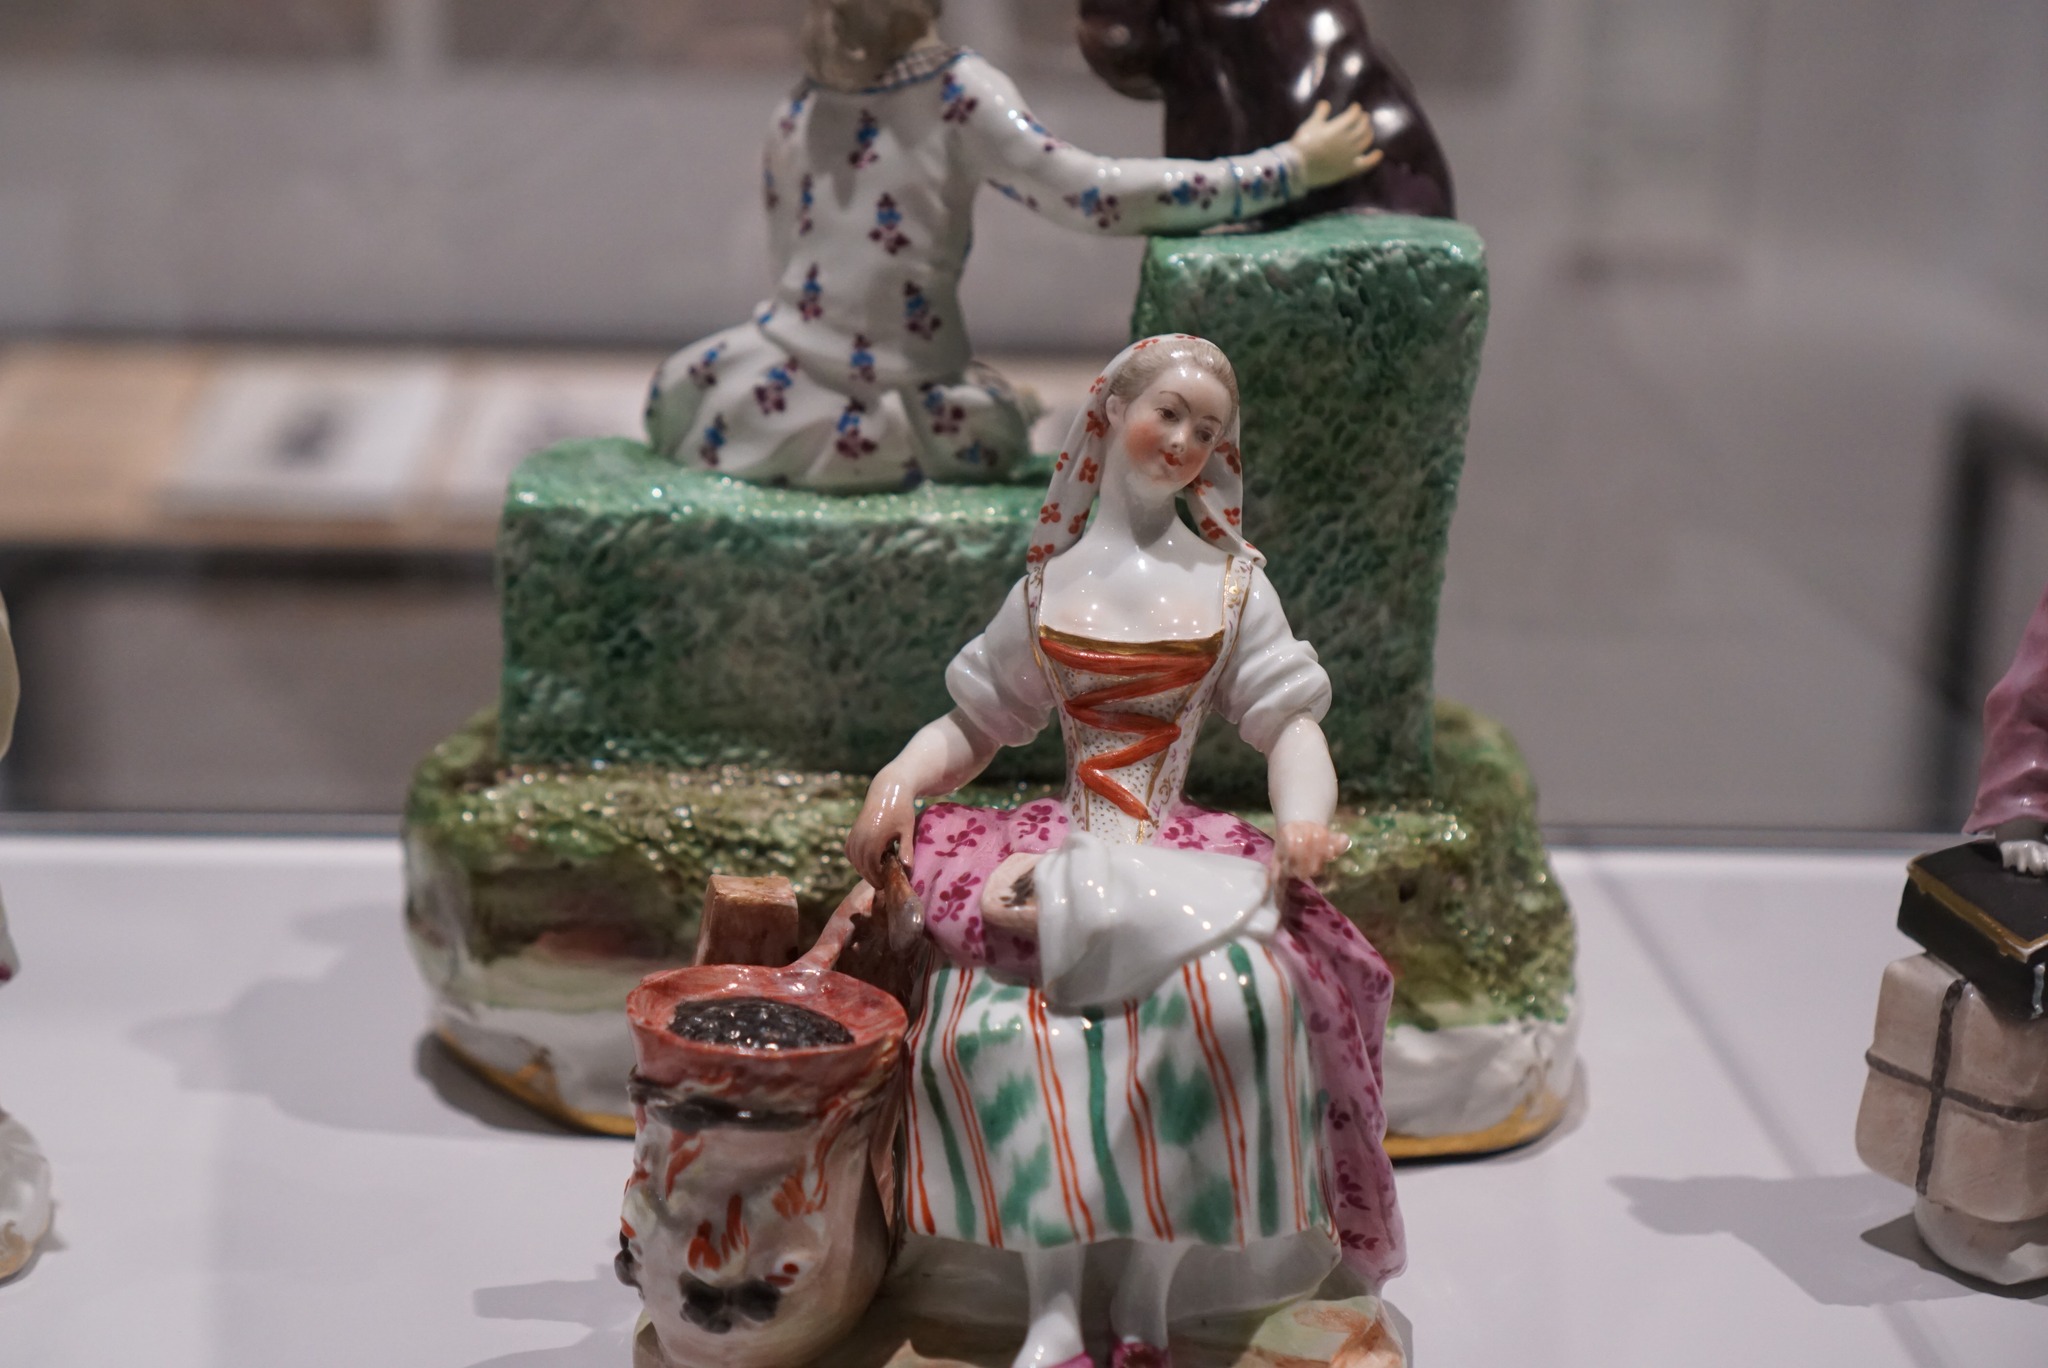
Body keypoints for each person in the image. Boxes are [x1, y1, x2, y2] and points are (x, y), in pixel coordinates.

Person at [847, 336, 1402, 1368]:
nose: (1184, 441)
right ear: (1107, 413)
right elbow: (974, 721)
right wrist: (898, 779)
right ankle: (1052, 1303)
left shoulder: (1232, 587)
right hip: (1065, 852)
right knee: (991, 1026)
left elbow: (1290, 725)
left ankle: (1150, 1294)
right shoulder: (1045, 589)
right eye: (1169, 414)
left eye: (1207, 429)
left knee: (1234, 1005)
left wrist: (1302, 819)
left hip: (1175, 859)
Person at [646, 0, 1380, 492]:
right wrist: (1285, 169)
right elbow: (1096, 195)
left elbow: (796, 265)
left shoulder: (802, 101)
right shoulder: (954, 90)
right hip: (894, 405)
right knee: (993, 431)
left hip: (767, 384)